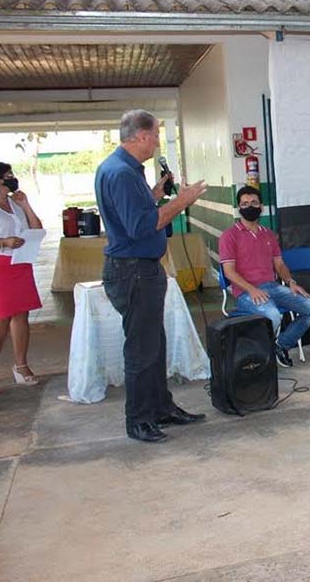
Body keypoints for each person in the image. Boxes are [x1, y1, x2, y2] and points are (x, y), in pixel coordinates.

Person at [94, 109, 207, 443]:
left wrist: (156, 194)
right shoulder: (122, 173)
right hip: (133, 271)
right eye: (156, 135)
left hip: (139, 269)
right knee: (142, 348)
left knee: (154, 343)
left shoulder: (120, 169)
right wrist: (180, 202)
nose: (158, 142)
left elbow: (135, 211)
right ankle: (139, 419)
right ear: (141, 136)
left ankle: (160, 407)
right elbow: (142, 226)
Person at [219, 185, 310, 369]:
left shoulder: (268, 234)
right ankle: (259, 358)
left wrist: (291, 282)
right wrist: (251, 289)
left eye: (254, 202)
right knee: (272, 316)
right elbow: (229, 271)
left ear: (261, 207)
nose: (249, 206)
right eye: (245, 203)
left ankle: (280, 345)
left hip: (273, 287)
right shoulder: (229, 236)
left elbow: (280, 264)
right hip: (246, 292)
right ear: (239, 208)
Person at [0, 162, 42, 386]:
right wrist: (4, 242)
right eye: (8, 176)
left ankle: (21, 364)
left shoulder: (14, 205)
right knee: (1, 319)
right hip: (0, 266)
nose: (12, 178)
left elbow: (36, 228)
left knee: (21, 315)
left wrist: (25, 205)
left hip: (21, 262)